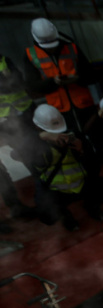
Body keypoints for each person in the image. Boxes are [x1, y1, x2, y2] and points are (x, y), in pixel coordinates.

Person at [30, 104, 103, 231]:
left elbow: (95, 166)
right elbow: (18, 150)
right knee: (46, 213)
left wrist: (82, 151)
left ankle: (91, 206)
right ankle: (64, 215)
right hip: (56, 190)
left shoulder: (73, 137)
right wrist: (43, 137)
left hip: (80, 184)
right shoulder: (34, 145)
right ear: (38, 127)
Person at [23, 18, 96, 134]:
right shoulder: (30, 55)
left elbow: (91, 75)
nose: (52, 48)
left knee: (96, 136)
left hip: (85, 106)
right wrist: (54, 82)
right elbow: (33, 86)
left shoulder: (72, 48)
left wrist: (77, 78)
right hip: (59, 111)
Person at [0, 53, 37, 228]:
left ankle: (41, 192)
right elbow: (9, 85)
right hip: (6, 118)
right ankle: (13, 207)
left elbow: (18, 81)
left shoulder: (5, 59)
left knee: (30, 152)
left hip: (19, 113)